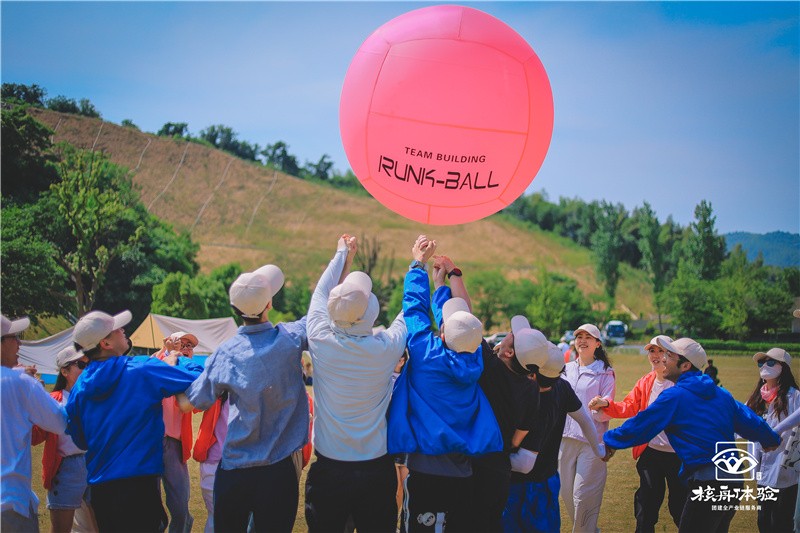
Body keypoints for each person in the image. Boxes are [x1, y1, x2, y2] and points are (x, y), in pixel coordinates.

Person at [177, 264, 309, 532]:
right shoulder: (291, 338)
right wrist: (343, 258)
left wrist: (172, 366)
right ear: (269, 303)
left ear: (235, 308)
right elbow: (319, 310)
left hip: (235, 468)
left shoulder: (225, 353)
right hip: (279, 469)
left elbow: (187, 403)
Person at [603, 337, 781, 533]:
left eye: (670, 356)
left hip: (707, 482)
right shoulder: (721, 394)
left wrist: (609, 441)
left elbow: (642, 425)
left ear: (685, 365)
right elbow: (751, 421)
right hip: (733, 481)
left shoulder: (675, 396)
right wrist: (770, 439)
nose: (663, 359)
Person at [387, 235, 502, 532]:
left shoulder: (427, 354)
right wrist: (441, 286)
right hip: (463, 473)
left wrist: (418, 265)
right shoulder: (475, 358)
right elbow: (456, 328)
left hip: (425, 472)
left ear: (442, 335)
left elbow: (414, 310)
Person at [304, 234, 407, 533]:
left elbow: (321, 291)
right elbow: (410, 313)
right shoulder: (385, 348)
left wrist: (342, 255)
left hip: (329, 469)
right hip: (375, 468)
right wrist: (419, 266)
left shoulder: (319, 337)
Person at [65, 310, 203, 533]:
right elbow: (198, 377)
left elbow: (79, 439)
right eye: (117, 329)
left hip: (100, 487)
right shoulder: (139, 369)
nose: (123, 330)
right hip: (140, 484)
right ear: (105, 343)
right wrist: (178, 359)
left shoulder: (79, 389)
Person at [503, 343, 605, 533]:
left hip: (519, 485)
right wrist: (598, 449)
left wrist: (491, 461)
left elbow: (524, 463)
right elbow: (585, 420)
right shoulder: (561, 386)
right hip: (548, 480)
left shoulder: (529, 396)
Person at [589, 335, 686, 533]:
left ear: (671, 355)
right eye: (652, 351)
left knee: (679, 506)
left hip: (679, 455)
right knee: (645, 506)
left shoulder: (683, 383)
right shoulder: (646, 382)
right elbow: (629, 406)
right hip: (651, 452)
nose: (656, 355)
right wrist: (606, 404)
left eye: (661, 351)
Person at [471, 312, 542, 532]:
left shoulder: (491, 367)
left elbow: (467, 321)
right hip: (500, 470)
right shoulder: (532, 389)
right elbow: (516, 440)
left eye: (511, 334)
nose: (508, 334)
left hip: (473, 465)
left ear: (509, 352)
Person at [2, 315, 67, 532]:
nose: (19, 343)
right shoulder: (22, 383)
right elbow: (59, 422)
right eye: (14, 337)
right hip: (11, 501)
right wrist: (33, 385)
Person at [32, 347, 98, 533]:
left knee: (102, 525)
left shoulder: (95, 396)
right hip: (66, 468)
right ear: (64, 371)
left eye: (89, 364)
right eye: (81, 365)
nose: (87, 369)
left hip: (95, 465)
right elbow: (35, 436)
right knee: (62, 529)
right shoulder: (54, 400)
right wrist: (33, 400)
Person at [559, 323, 615, 533]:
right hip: (564, 440)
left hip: (592, 443)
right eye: (579, 337)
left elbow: (609, 408)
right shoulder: (566, 369)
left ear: (597, 344)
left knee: (582, 497)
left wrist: (601, 405)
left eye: (588, 337)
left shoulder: (605, 372)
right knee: (566, 494)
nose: (582, 341)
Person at [745, 348, 800, 533]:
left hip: (784, 469)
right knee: (763, 521)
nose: (764, 366)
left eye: (770, 362)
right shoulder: (756, 398)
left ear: (783, 367)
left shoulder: (794, 396)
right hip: (761, 470)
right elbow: (741, 423)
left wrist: (776, 431)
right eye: (761, 363)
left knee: (782, 522)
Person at [153, 331, 199, 533]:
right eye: (182, 344)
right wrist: (168, 353)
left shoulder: (189, 374)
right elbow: (153, 371)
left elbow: (197, 406)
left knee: (180, 506)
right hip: (150, 443)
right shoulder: (155, 362)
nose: (187, 349)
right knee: (150, 504)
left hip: (175, 445)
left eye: (190, 346)